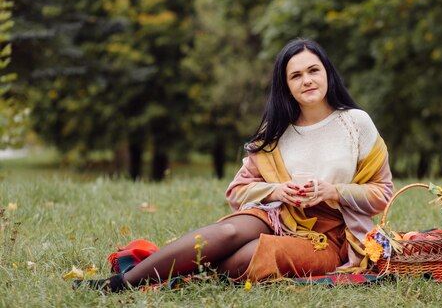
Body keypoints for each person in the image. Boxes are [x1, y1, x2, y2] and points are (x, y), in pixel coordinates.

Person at [73, 38, 394, 292]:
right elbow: (237, 191)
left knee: (245, 256)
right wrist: (278, 189)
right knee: (226, 230)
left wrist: (333, 191)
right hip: (278, 213)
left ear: (327, 73)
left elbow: (383, 193)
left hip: (329, 236)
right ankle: (119, 284)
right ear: (286, 85)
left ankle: (173, 271)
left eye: (314, 70)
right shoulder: (277, 131)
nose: (307, 80)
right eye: (296, 75)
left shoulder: (355, 123)